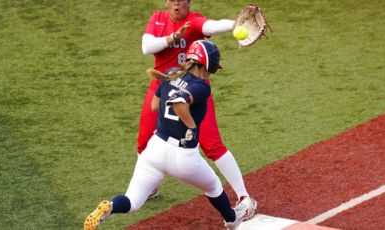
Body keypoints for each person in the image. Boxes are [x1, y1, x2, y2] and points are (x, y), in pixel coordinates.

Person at [84, 40, 256, 230]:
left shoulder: (172, 72)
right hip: (183, 157)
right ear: (208, 64)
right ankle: (232, 219)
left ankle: (110, 207)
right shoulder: (202, 85)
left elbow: (155, 105)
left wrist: (172, 116)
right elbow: (178, 102)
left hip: (155, 150)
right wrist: (190, 126)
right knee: (214, 186)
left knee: (132, 202)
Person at [139, 0, 252, 204]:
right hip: (162, 86)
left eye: (181, 1)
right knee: (143, 141)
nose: (176, 5)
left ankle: (244, 196)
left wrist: (233, 24)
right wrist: (174, 37)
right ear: (167, 2)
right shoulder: (157, 19)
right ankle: (150, 187)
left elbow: (211, 26)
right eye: (172, 1)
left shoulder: (194, 21)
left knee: (212, 145)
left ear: (188, 3)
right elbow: (147, 47)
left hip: (193, 91)